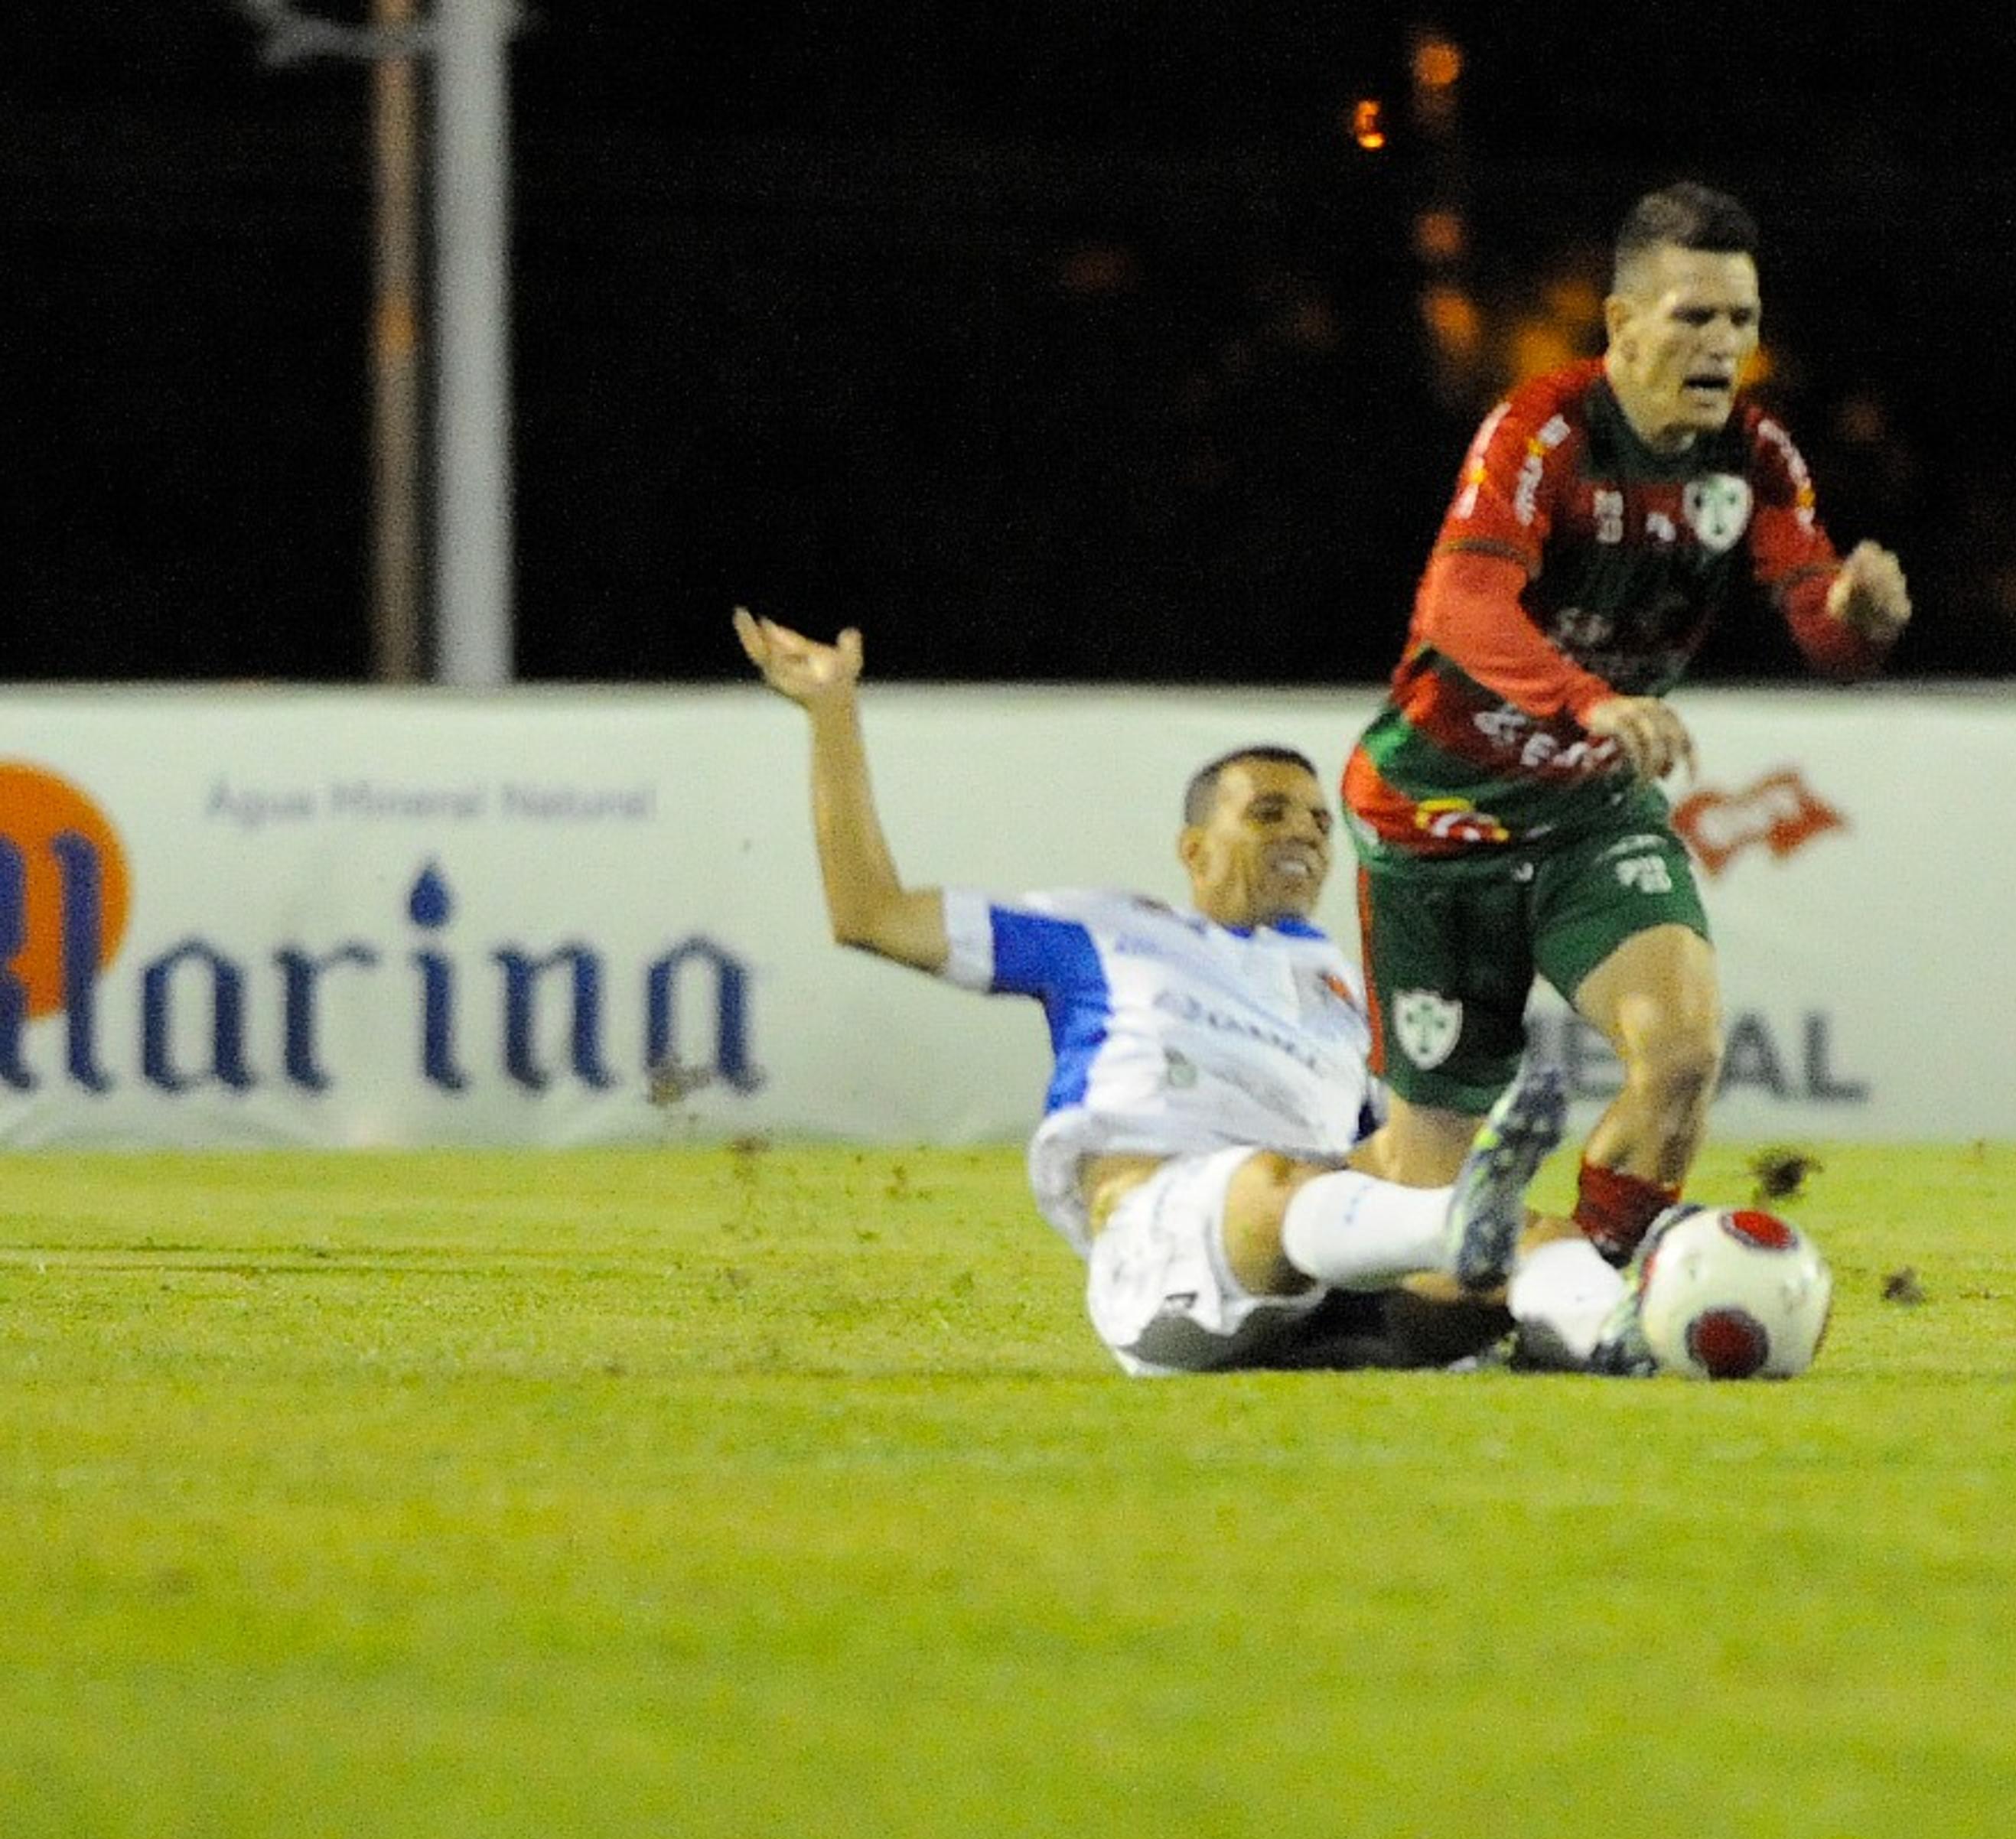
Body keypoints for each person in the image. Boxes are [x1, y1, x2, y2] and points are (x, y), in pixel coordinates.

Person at [734, 607, 1635, 1377]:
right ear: (1192, 849)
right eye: (1267, 813)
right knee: (1274, 1184)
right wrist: (831, 714)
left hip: (1329, 1276)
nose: (1306, 835)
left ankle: (1627, 1338)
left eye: (1322, 822)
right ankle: (1454, 1235)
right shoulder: (1100, 934)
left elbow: (1384, 1157)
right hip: (1164, 1256)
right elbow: (871, 913)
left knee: (1540, 1240)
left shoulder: (1342, 991)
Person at [1343, 180, 1915, 1262]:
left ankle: (1590, 1294)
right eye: (1695, 315)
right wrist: (1592, 700)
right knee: (1425, 1180)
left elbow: (1819, 621)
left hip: (1589, 817)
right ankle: (1269, 1229)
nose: (1724, 344)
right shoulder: (1541, 431)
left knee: (1684, 1058)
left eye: (1742, 320)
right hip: (1441, 817)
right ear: (1621, 324)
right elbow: (1461, 605)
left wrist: (1856, 614)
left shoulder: (1752, 457)